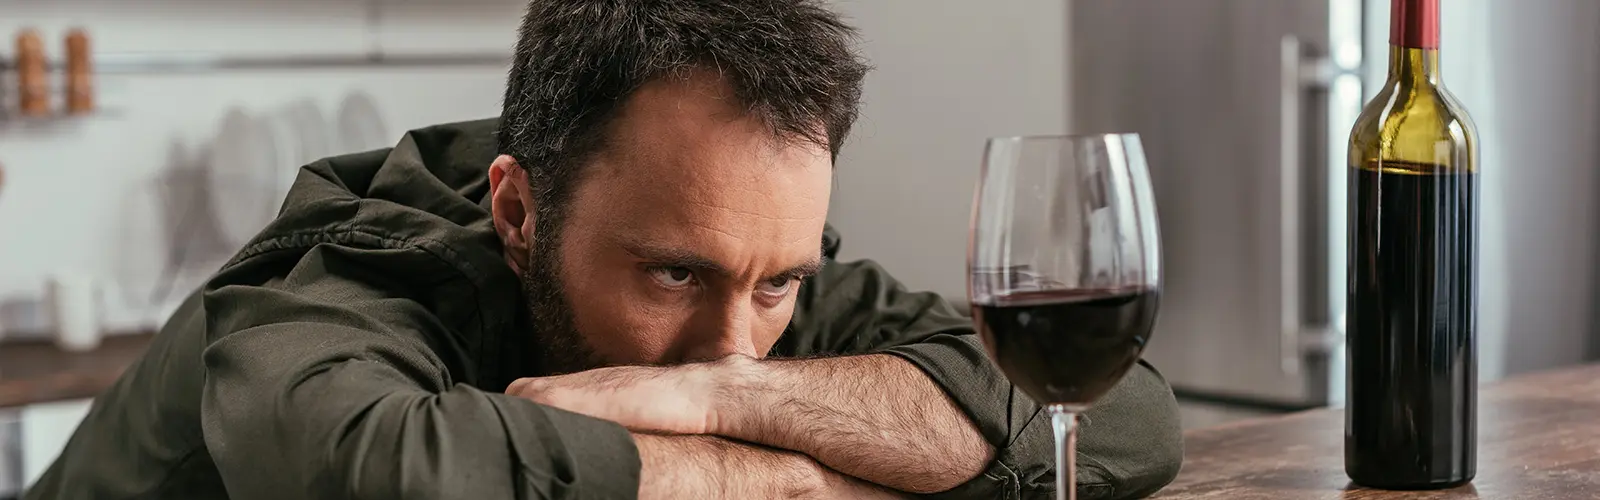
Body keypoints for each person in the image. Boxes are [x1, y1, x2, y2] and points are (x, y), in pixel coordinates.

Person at [28, 1, 1182, 499]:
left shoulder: (735, 275)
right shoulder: (338, 280)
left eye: (779, 282)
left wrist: (746, 406)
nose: (732, 348)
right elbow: (380, 474)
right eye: (674, 274)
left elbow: (1120, 416)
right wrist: (802, 470)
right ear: (519, 211)